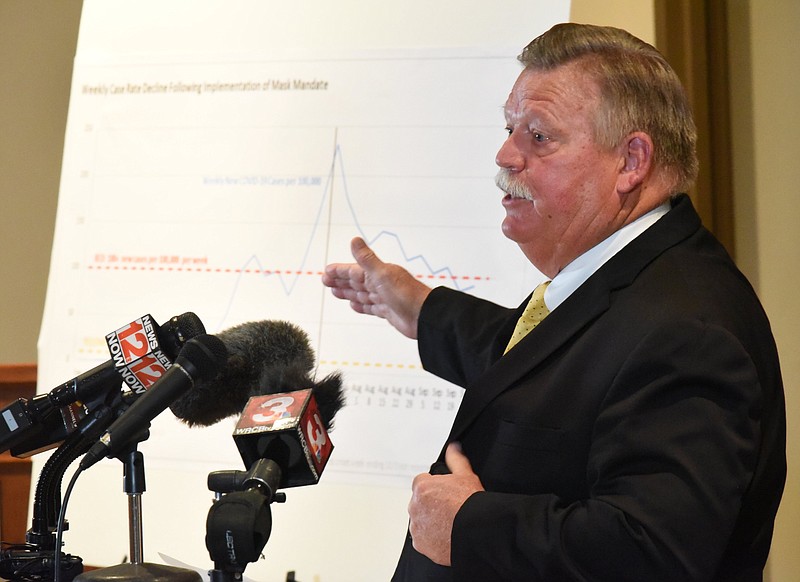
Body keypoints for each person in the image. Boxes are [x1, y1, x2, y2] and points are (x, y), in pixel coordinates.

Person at [322, 23, 785, 582]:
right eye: (509, 127)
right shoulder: (630, 278)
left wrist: (470, 526)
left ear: (631, 161)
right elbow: (553, 370)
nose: (504, 154)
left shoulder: (689, 330)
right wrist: (420, 309)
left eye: (538, 136)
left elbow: (655, 552)